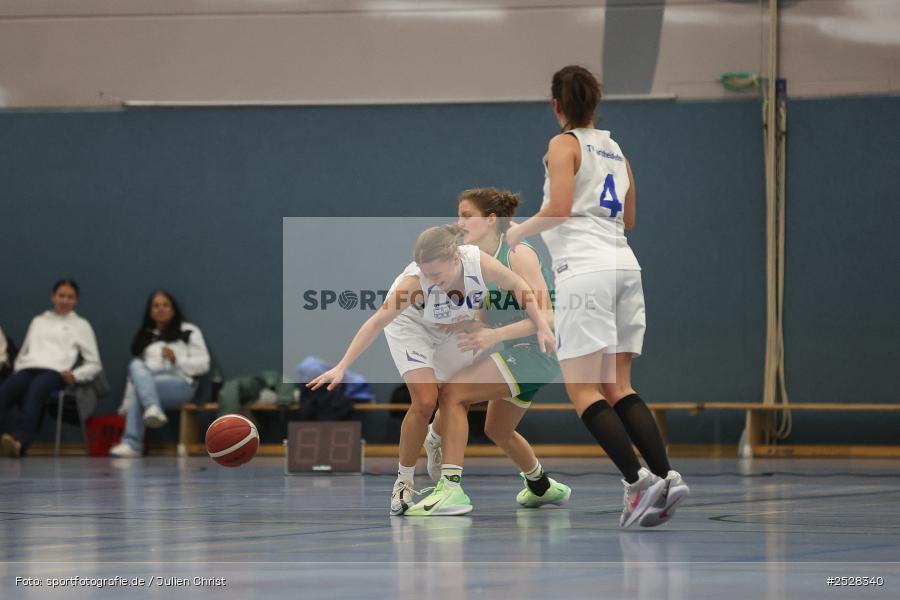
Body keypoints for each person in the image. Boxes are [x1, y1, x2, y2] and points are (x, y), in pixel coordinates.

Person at [506, 65, 689, 528]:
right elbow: (628, 218)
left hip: (585, 272)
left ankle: (637, 482)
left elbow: (561, 207)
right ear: (595, 103)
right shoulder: (617, 150)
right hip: (626, 267)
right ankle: (666, 475)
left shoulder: (562, 144)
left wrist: (519, 232)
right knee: (618, 385)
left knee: (583, 389)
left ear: (557, 106)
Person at [308, 225, 554, 516]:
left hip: (449, 329)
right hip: (411, 329)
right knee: (425, 401)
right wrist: (342, 365)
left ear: (455, 261)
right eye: (425, 274)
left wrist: (540, 324)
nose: (431, 281)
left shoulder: (477, 261)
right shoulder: (413, 283)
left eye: (436, 275)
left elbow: (518, 285)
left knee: (455, 394)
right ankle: (404, 482)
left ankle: (435, 441)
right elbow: (376, 322)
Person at [405, 188, 570, 516]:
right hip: (520, 350)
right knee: (498, 429)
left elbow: (549, 317)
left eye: (467, 215)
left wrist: (495, 335)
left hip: (539, 351)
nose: (459, 221)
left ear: (491, 219)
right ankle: (541, 486)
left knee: (453, 394)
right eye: (458, 214)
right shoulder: (474, 259)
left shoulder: (518, 253)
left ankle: (450, 489)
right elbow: (486, 312)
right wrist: (465, 325)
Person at [0, 280, 102, 457]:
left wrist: (76, 376)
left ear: (75, 301)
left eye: (70, 297)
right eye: (61, 296)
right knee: (5, 392)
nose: (65, 300)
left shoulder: (81, 325)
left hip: (55, 372)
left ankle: (19, 442)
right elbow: (24, 351)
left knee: (35, 391)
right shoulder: (38, 321)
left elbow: (94, 363)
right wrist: (18, 370)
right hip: (28, 368)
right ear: (53, 297)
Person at [110, 290, 210, 458]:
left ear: (173, 309)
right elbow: (135, 377)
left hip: (182, 383)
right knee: (135, 364)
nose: (160, 309)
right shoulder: (145, 337)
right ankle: (152, 408)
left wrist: (177, 360)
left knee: (142, 390)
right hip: (150, 381)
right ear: (150, 311)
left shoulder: (188, 330)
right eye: (156, 306)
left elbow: (204, 365)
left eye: (165, 305)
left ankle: (133, 442)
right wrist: (125, 405)